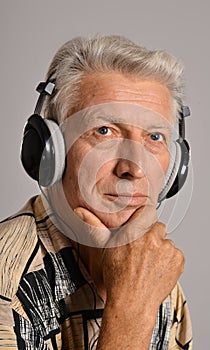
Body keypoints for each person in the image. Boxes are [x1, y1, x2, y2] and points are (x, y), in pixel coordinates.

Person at [0, 35, 193, 349]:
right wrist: (132, 310)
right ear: (50, 149)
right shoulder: (6, 285)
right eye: (104, 131)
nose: (135, 168)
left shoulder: (150, 265)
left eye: (154, 136)